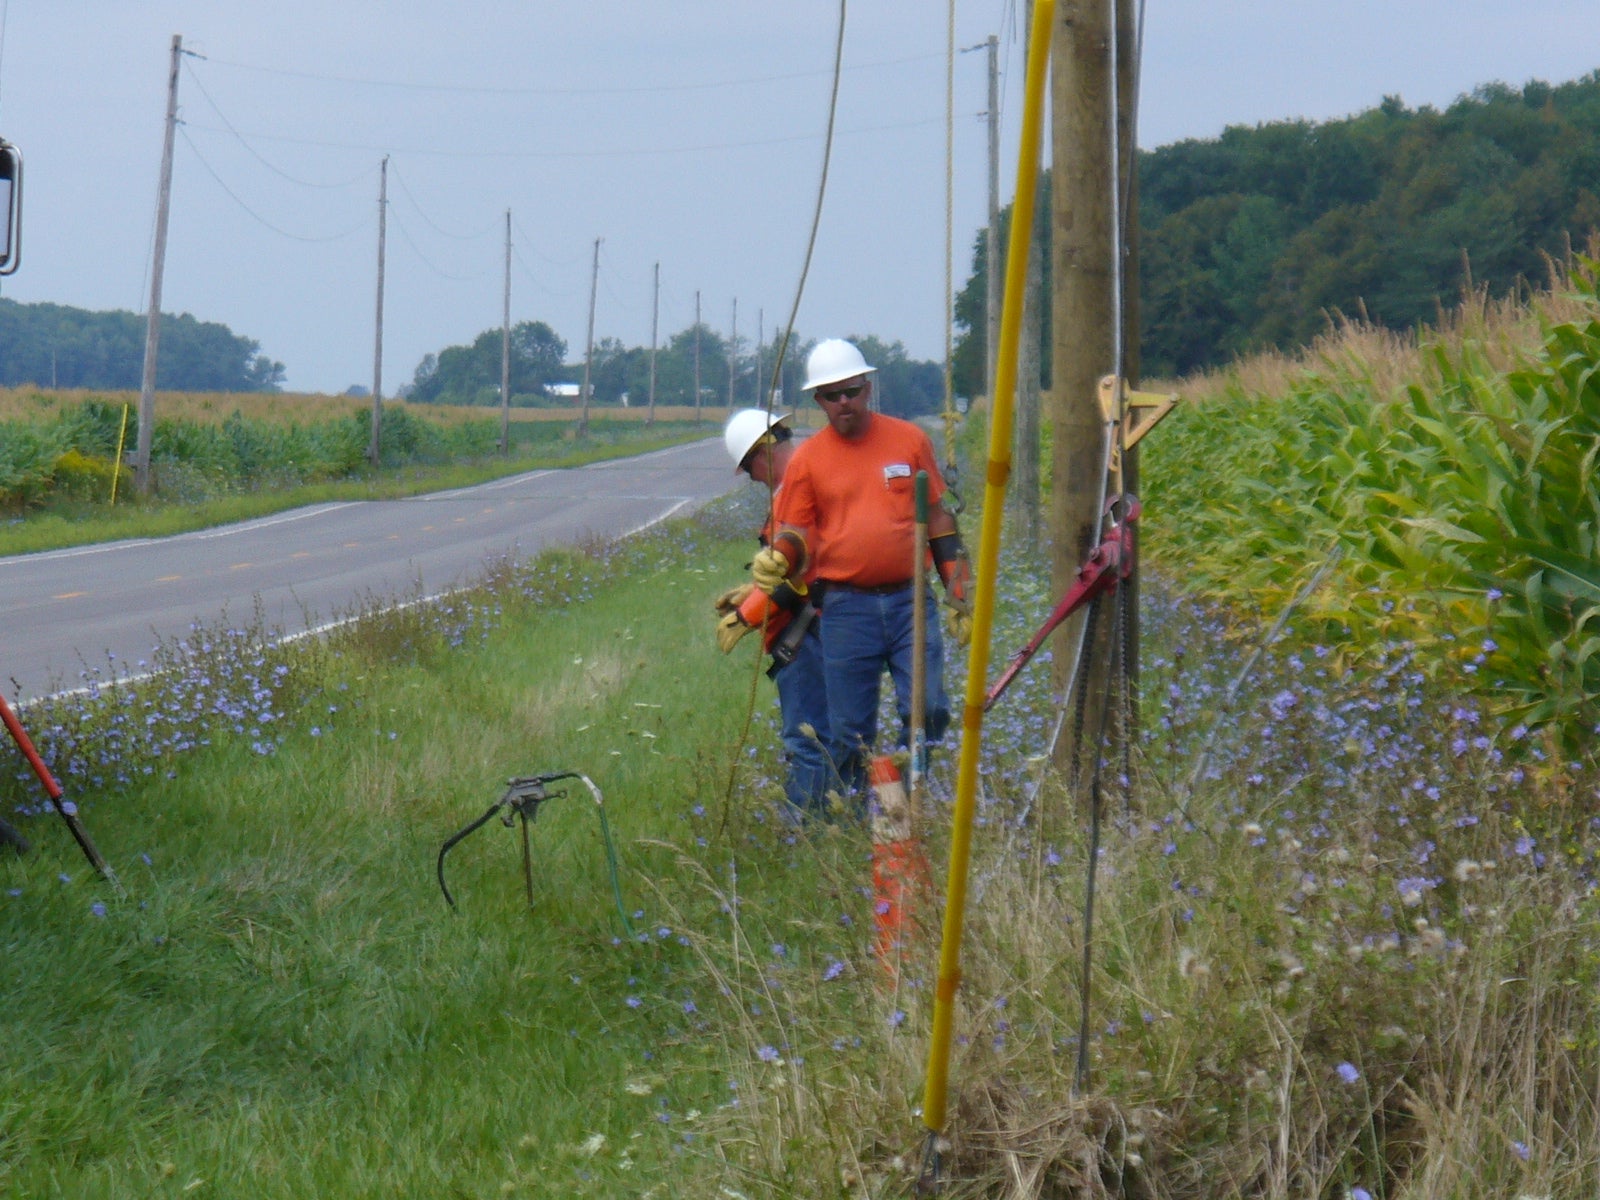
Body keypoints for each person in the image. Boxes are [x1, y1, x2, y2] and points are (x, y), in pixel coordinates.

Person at [751, 339, 973, 795]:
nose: (844, 402)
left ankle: (908, 797)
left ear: (867, 388)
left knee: (929, 709)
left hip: (910, 600)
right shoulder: (809, 461)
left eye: (851, 390)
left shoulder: (910, 441)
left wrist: (958, 592)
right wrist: (778, 559)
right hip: (846, 609)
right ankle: (858, 820)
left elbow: (938, 518)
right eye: (832, 396)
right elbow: (796, 533)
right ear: (819, 402)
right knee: (850, 731)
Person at [713, 408, 835, 817]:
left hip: (807, 635)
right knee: (820, 736)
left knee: (808, 740)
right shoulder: (799, 486)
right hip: (812, 628)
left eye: (749, 469)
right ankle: (825, 822)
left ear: (762, 453)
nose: (753, 479)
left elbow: (798, 574)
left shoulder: (796, 493)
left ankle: (806, 833)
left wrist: (746, 616)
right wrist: (751, 591)